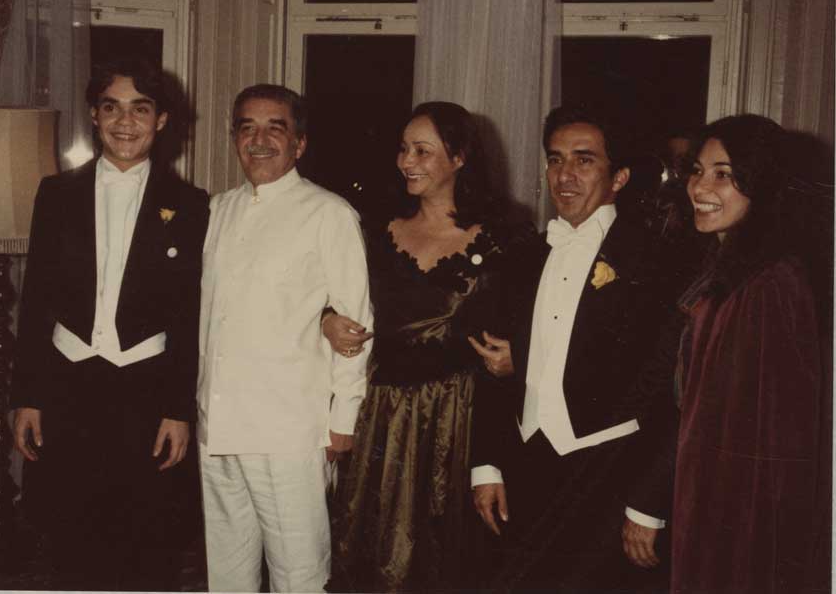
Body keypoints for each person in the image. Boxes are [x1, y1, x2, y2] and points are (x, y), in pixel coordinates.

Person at [10, 59, 209, 589]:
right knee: (68, 537)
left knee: (146, 543)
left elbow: (189, 317)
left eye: (140, 109)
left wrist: (177, 410)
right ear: (95, 117)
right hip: (69, 385)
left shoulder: (191, 206)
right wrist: (26, 396)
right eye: (112, 107)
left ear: (162, 120)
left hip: (143, 393)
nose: (126, 121)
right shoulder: (55, 195)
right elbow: (37, 302)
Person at [321, 101, 535, 592]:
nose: (406, 161)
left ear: (459, 157)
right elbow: (318, 294)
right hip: (380, 417)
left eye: (422, 150)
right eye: (403, 148)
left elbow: (535, 323)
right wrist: (327, 319)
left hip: (458, 420)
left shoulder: (507, 235)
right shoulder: (374, 229)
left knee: (446, 560)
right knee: (369, 552)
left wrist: (517, 355)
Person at [470, 104, 680, 592]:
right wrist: (487, 465)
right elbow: (491, 362)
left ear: (619, 177)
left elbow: (665, 389)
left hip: (609, 467)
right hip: (526, 461)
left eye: (584, 160)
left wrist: (647, 501)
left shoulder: (656, 261)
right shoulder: (522, 255)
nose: (564, 175)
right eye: (555, 159)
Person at [198, 84, 372, 593]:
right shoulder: (217, 210)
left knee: (299, 575)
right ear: (233, 138)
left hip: (288, 429)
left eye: (276, 127)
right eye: (247, 127)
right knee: (226, 574)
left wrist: (344, 419)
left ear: (299, 144)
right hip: (218, 422)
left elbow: (357, 321)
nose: (259, 139)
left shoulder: (329, 213)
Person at [672, 115, 828, 593]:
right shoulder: (729, 273)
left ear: (762, 183)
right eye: (696, 170)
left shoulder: (773, 284)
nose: (700, 186)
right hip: (711, 497)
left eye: (724, 173)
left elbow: (785, 444)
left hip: (741, 515)